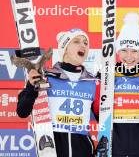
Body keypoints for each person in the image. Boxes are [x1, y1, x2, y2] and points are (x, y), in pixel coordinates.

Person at [16, 28, 100, 157]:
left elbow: (104, 117)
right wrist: (30, 87)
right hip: (52, 147)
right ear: (64, 48)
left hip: (83, 149)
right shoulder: (46, 77)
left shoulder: (93, 82)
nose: (83, 45)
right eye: (76, 41)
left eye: (85, 43)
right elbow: (22, 111)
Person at [111, 12, 139, 157]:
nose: (128, 56)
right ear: (118, 51)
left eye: (134, 51)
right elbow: (97, 105)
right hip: (115, 135)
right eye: (123, 50)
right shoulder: (109, 73)